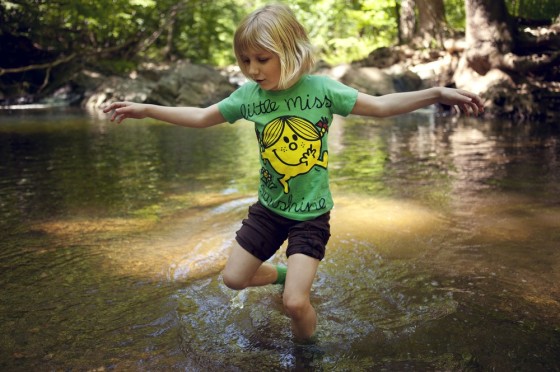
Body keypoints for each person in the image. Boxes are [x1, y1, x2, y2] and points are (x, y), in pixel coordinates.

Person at [103, 3, 484, 341]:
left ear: (290, 51)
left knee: (295, 304)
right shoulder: (249, 96)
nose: (252, 70)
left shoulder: (322, 90)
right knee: (233, 279)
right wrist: (148, 108)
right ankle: (284, 274)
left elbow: (382, 106)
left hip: (311, 217)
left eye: (262, 59)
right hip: (268, 210)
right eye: (245, 60)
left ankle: (308, 354)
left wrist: (436, 93)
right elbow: (202, 117)